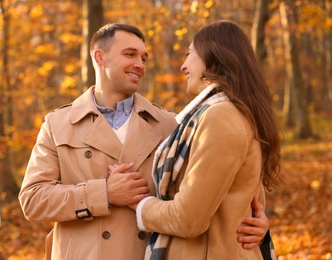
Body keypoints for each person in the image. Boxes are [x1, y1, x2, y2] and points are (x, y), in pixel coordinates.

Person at [18, 23, 270, 260]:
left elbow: (234, 186)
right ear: (99, 57)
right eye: (130, 54)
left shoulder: (171, 124)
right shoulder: (57, 124)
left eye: (144, 58)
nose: (139, 64)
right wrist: (104, 193)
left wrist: (254, 222)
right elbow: (32, 200)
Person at [110, 20, 281, 259]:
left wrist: (140, 205)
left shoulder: (220, 116)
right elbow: (246, 198)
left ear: (212, 56)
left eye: (189, 54)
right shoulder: (231, 112)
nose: (183, 66)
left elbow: (188, 219)